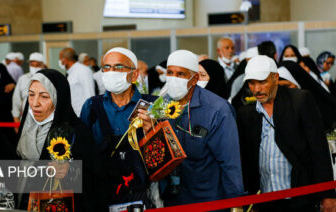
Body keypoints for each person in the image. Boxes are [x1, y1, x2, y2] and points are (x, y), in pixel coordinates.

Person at [237, 55, 336, 211]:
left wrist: (328, 194)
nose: (256, 89)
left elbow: (319, 150)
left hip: (299, 198)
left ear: (275, 77)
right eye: (251, 83)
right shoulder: (246, 113)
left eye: (262, 82)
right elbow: (247, 159)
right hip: (265, 198)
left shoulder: (300, 100)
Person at [157, 50, 244, 207]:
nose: (173, 78)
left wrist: (235, 204)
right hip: (172, 199)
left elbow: (230, 162)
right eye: (170, 72)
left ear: (194, 78)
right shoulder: (162, 103)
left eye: (181, 74)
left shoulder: (217, 109)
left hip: (207, 201)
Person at [16, 69, 106, 211]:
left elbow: (95, 177)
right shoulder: (27, 126)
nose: (35, 103)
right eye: (31, 95)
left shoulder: (76, 131)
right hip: (24, 201)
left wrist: (70, 171)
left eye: (44, 97)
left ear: (58, 98)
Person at [80, 47, 156, 209]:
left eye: (118, 67)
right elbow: (82, 153)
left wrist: (153, 130)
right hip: (103, 194)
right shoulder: (92, 106)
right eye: (106, 67)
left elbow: (167, 154)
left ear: (134, 75)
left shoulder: (152, 105)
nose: (111, 72)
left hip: (144, 194)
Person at [280, 60, 336, 132]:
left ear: (298, 83)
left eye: (286, 86)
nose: (282, 91)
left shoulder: (326, 110)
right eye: (278, 87)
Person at [12, 52, 45, 131]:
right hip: (25, 120)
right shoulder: (22, 79)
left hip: (44, 119)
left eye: (37, 65)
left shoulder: (48, 79)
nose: (34, 67)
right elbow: (16, 99)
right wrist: (16, 118)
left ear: (42, 65)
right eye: (32, 65)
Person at [59, 48, 95, 116]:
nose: (60, 61)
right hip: (73, 115)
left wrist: (89, 116)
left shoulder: (83, 70)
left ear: (65, 60)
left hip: (82, 116)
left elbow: (90, 95)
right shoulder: (71, 72)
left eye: (60, 59)